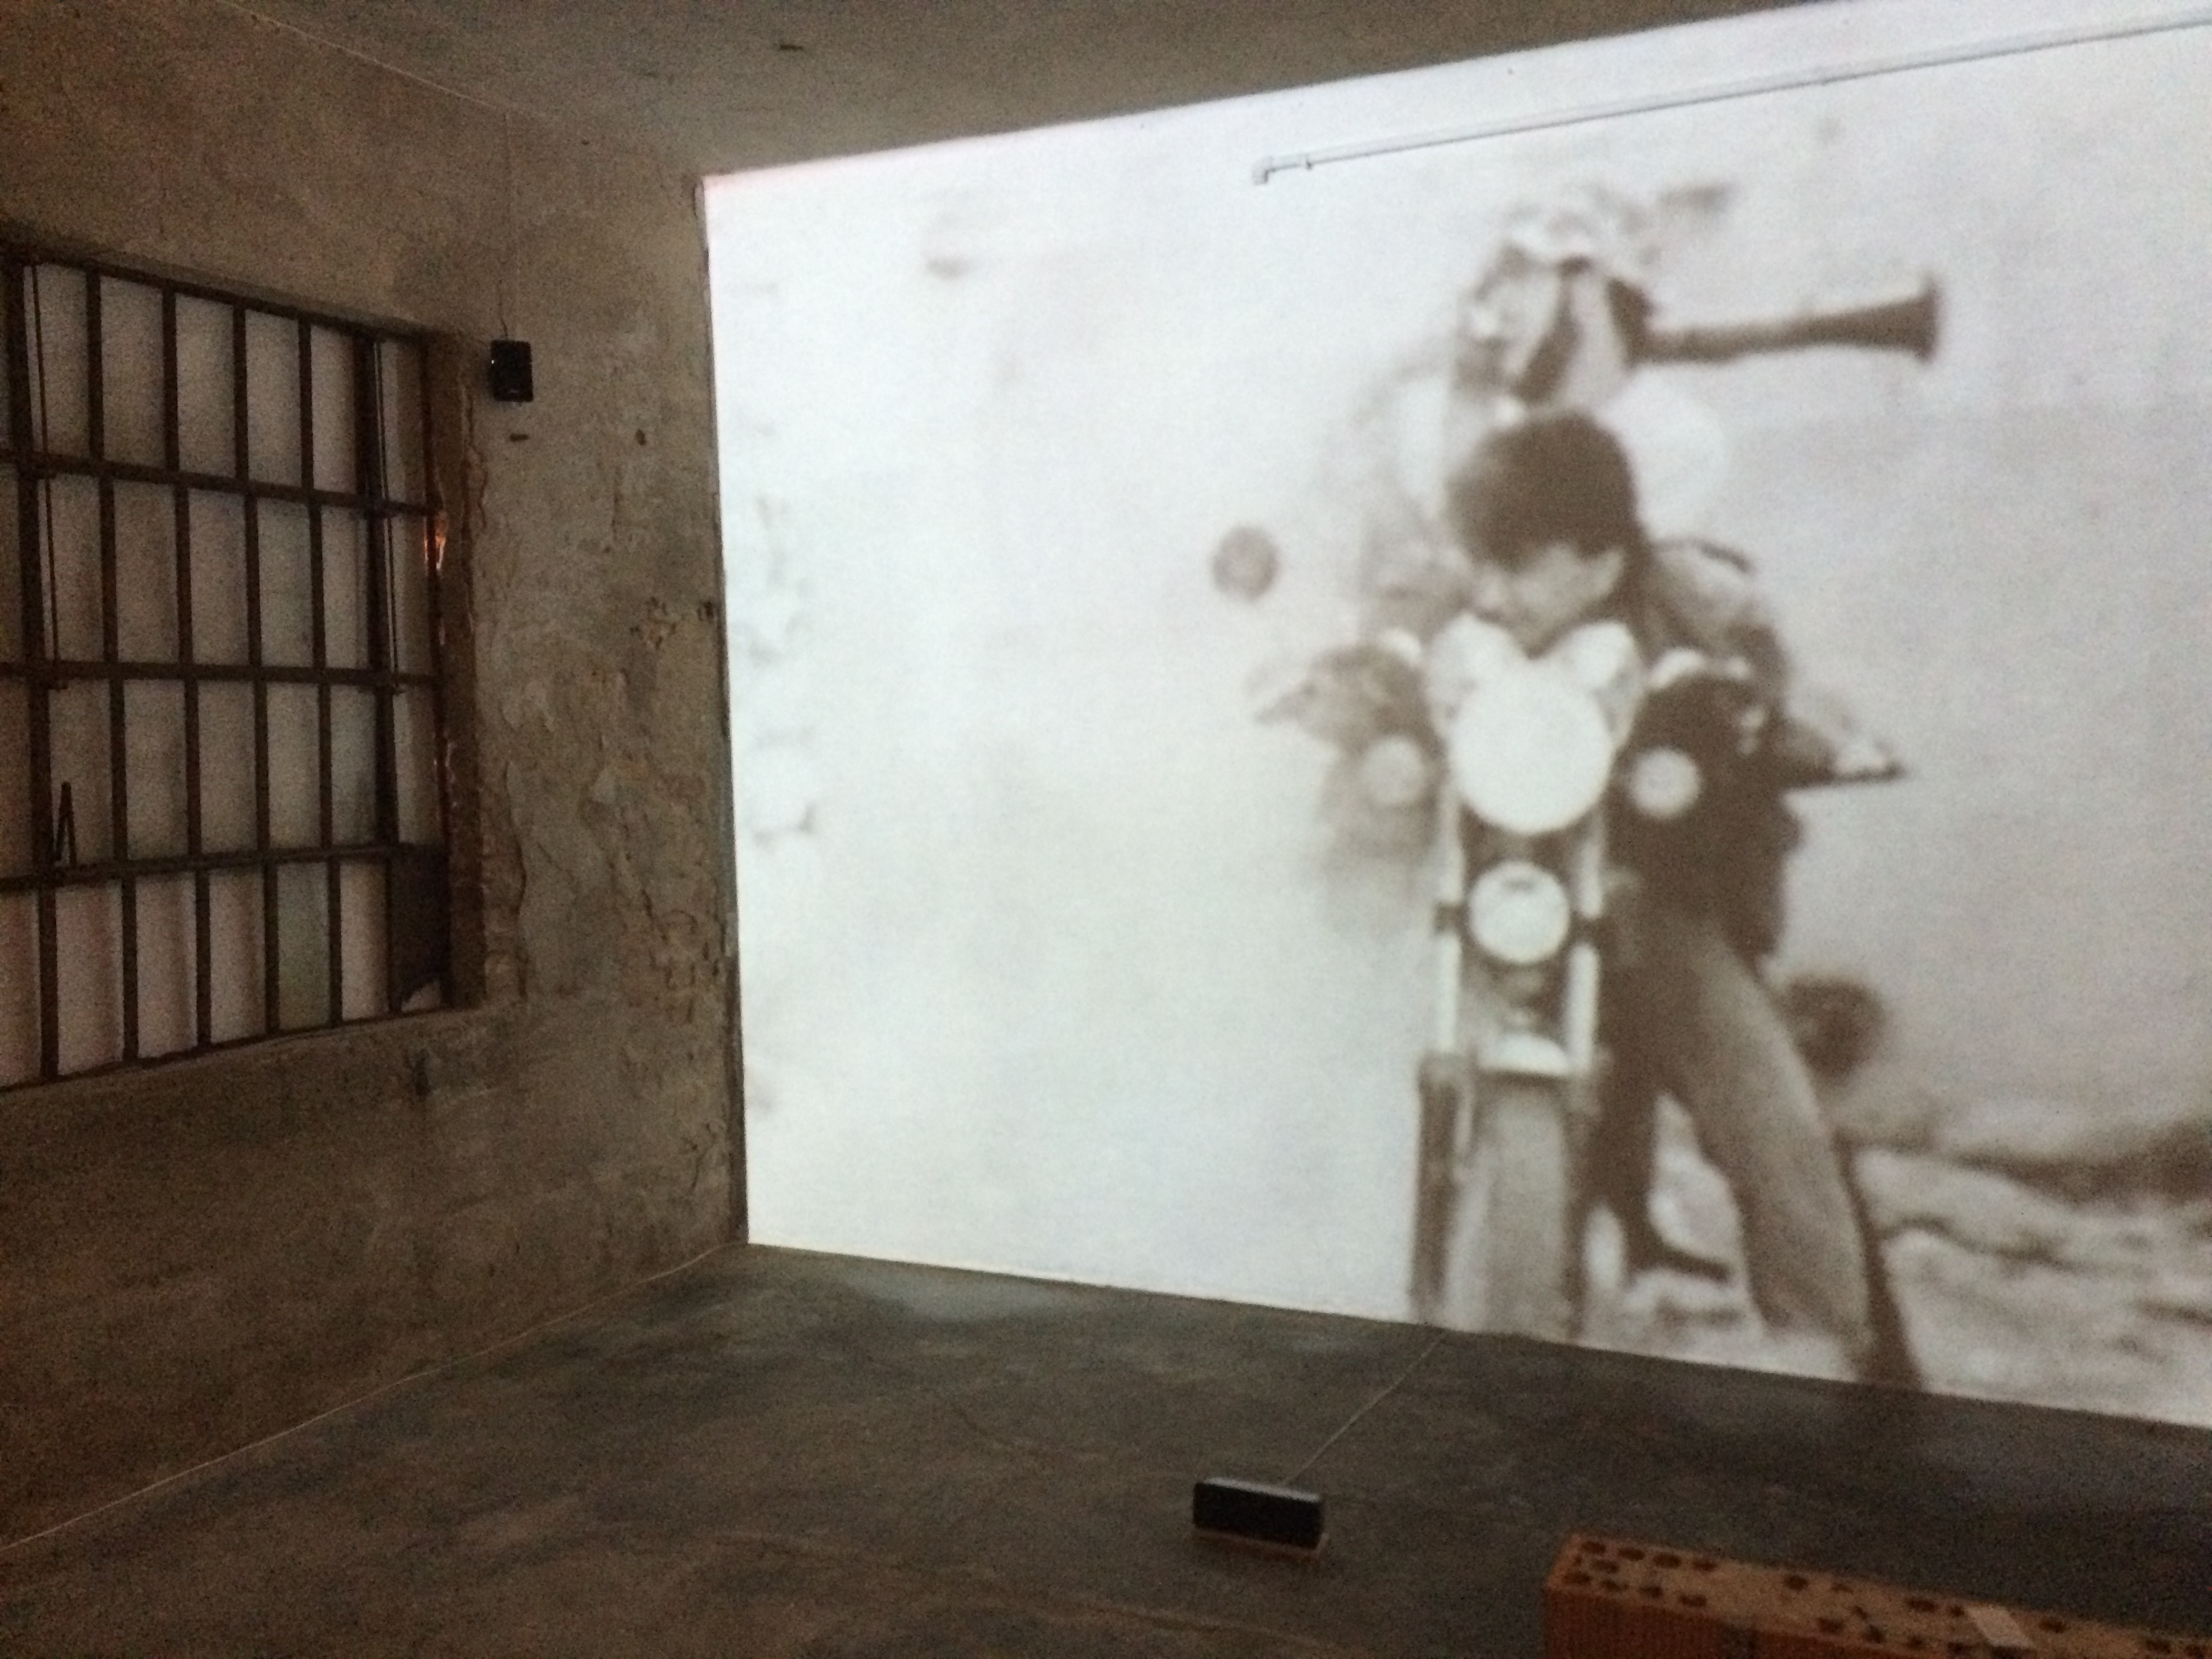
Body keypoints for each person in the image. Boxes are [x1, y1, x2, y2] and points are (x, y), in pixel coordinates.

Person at [1427, 410, 1891, 1384]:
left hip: (1652, 895)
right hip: (1486, 895)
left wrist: (1758, 725)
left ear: (1601, 561)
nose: (1493, 593)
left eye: (1521, 566)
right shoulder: (1458, 604)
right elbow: (1384, 660)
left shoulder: (1700, 603)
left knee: (1771, 1113)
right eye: (1483, 564)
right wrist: (1366, 693)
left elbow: (1785, 698)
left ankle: (1823, 1360)